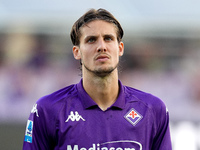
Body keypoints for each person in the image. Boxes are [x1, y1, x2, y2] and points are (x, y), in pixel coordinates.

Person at [23, 8, 172, 150]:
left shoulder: (153, 110)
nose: (101, 46)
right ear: (77, 52)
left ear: (120, 48)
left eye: (108, 38)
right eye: (91, 40)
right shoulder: (47, 110)